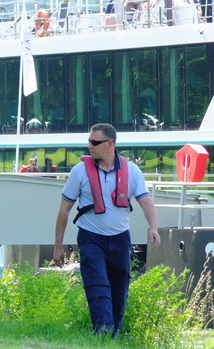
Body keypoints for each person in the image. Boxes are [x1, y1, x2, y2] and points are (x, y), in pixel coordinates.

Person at [53, 124, 161, 336]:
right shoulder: (79, 171)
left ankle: (115, 334)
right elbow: (64, 210)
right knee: (98, 284)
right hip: (91, 237)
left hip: (120, 237)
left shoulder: (132, 171)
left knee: (120, 286)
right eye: (89, 141)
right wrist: (58, 246)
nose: (89, 146)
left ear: (110, 144)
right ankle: (102, 333)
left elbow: (146, 201)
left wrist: (153, 228)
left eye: (94, 142)